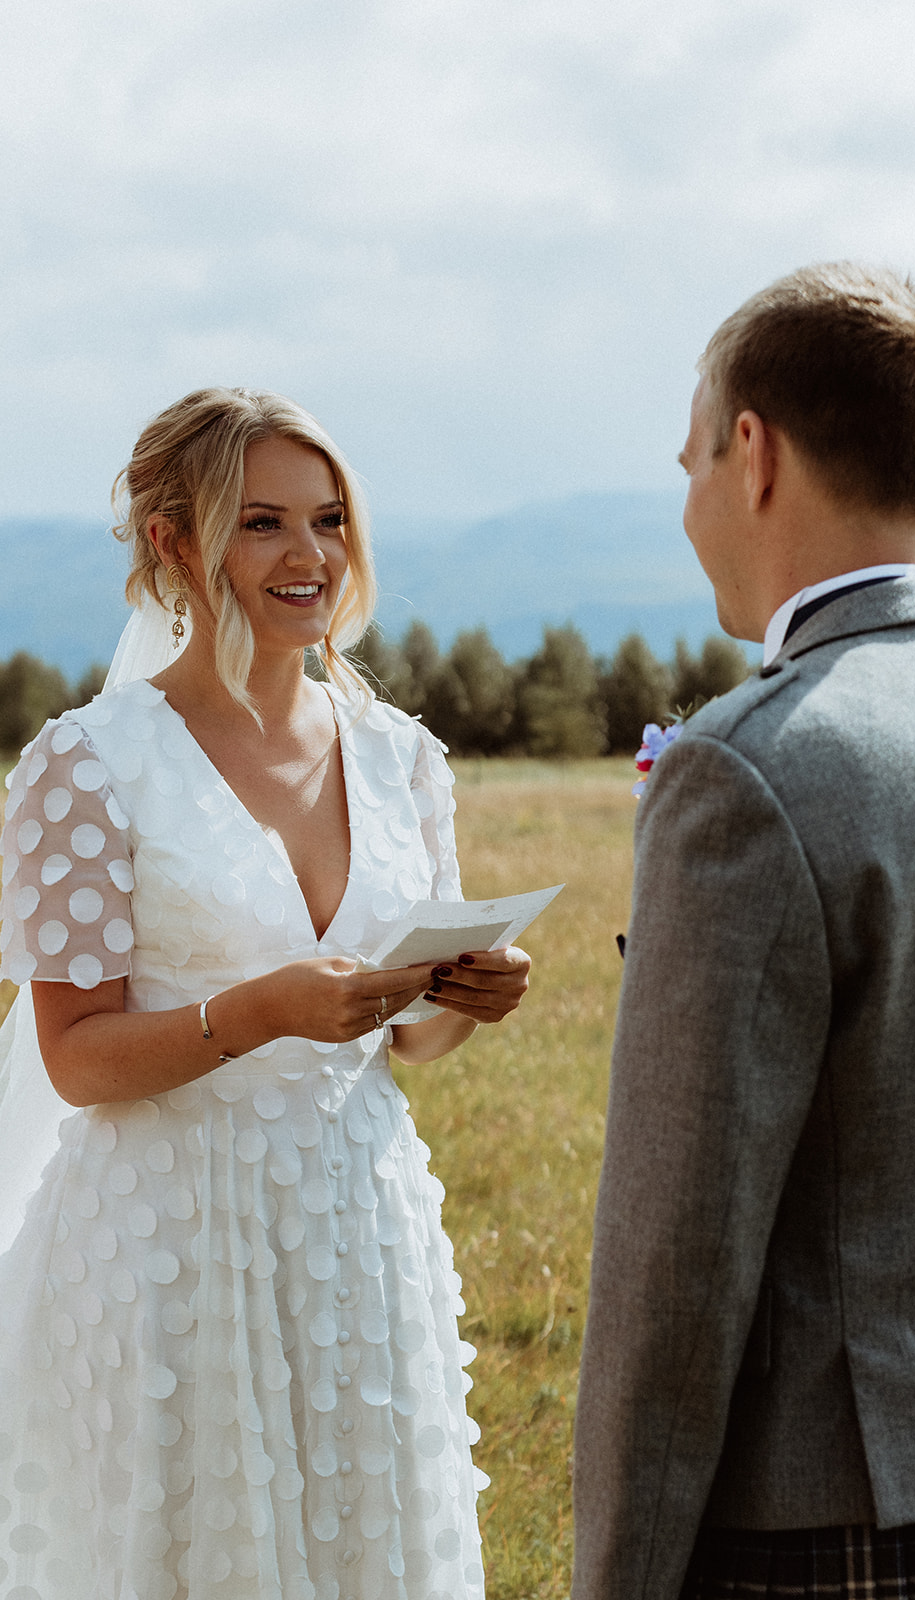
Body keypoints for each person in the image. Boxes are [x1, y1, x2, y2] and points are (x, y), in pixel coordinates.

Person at [571, 263, 915, 1600]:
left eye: (688, 462)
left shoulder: (749, 767)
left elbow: (668, 1272)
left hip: (829, 1523)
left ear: (752, 453)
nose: (686, 505)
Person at [0, 386, 531, 1599]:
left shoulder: (399, 757)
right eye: (262, 523)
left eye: (330, 519)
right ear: (171, 543)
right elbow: (76, 1056)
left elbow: (410, 1040)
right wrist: (257, 1012)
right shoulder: (86, 768)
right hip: (168, 1250)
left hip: (360, 1222)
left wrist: (462, 996)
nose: (310, 556)